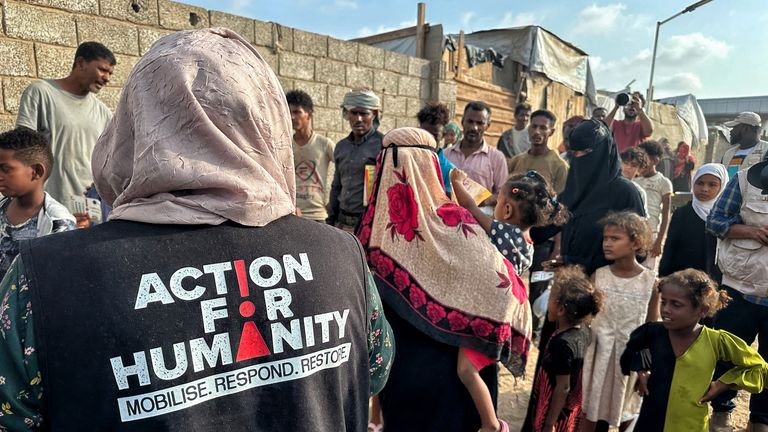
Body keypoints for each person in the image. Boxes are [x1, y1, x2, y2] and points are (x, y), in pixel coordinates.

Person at [0, 28, 394, 432]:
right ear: (267, 121)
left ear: (135, 124)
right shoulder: (341, 256)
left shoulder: (44, 278)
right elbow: (374, 369)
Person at [357, 127, 532, 432]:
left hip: (402, 382)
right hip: (453, 383)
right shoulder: (461, 223)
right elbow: (505, 287)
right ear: (432, 165)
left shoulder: (371, 232)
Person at [451, 168, 568, 432]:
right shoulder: (526, 241)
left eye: (499, 201)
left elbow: (469, 206)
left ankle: (491, 424)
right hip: (504, 310)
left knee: (465, 371)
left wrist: (457, 182)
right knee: (474, 367)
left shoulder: (504, 233)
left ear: (505, 212)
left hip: (490, 309)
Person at [621, 269, 768, 432]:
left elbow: (760, 368)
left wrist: (723, 384)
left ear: (702, 310)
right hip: (649, 424)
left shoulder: (716, 341)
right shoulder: (652, 332)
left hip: (692, 426)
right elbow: (631, 349)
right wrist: (641, 370)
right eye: (664, 302)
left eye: (676, 304)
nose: (666, 309)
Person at [15, 41, 115, 213]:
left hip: (89, 211)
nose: (107, 78)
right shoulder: (41, 93)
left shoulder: (104, 113)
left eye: (110, 73)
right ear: (81, 63)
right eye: (102, 69)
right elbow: (21, 148)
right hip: (49, 208)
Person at [581, 211, 658, 432]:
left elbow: (651, 329)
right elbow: (588, 320)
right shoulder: (599, 276)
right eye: (605, 238)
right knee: (590, 409)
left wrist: (645, 368)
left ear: (636, 242)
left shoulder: (650, 281)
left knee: (628, 412)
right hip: (598, 355)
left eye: (615, 239)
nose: (607, 243)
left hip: (630, 359)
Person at [707, 154, 768, 432]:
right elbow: (715, 221)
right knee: (731, 353)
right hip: (741, 288)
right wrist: (751, 231)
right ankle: (721, 413)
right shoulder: (743, 181)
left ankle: (761, 420)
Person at [523, 266, 604, 432]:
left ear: (561, 309)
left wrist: (549, 423)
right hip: (569, 411)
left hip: (554, 411)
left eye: (551, 296)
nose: (548, 301)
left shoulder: (561, 343)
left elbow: (563, 387)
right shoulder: (583, 332)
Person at [0, 127, 76, 279]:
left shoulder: (58, 224)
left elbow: (58, 279)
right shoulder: (2, 207)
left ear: (36, 172)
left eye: (5, 169)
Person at [327, 88, 384, 231]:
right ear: (347, 114)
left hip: (368, 226)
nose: (358, 119)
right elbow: (337, 186)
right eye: (354, 113)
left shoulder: (383, 146)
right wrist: (330, 221)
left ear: (374, 115)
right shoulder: (341, 147)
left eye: (364, 113)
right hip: (342, 224)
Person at [659, 164, 728, 281]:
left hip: (713, 282)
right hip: (681, 279)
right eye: (700, 183)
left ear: (723, 187)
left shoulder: (725, 218)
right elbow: (670, 248)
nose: (705, 189)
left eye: (712, 185)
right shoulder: (682, 214)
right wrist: (663, 278)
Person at [444, 101, 507, 204]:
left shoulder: (497, 157)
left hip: (479, 217)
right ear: (463, 121)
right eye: (470, 121)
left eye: (480, 123)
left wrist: (483, 201)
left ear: (487, 125)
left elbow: (503, 193)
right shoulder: (446, 155)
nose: (474, 127)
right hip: (447, 216)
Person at [287, 90, 336, 222]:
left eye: (297, 112)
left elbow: (345, 168)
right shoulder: (285, 145)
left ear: (309, 115)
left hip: (318, 216)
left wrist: (333, 202)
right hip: (292, 215)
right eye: (289, 112)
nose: (292, 117)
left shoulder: (324, 144)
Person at [507, 110, 569, 194]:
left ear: (551, 132)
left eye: (543, 128)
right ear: (529, 129)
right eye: (534, 126)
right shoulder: (516, 161)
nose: (537, 132)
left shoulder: (560, 166)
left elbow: (559, 202)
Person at [635, 140, 673, 271]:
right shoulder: (634, 179)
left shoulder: (663, 182)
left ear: (656, 161)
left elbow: (666, 214)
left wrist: (659, 242)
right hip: (632, 231)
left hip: (651, 234)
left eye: (646, 159)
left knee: (646, 272)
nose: (642, 163)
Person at [416, 102, 454, 194]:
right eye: (424, 135)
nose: (428, 141)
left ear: (443, 135)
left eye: (434, 136)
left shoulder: (449, 170)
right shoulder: (408, 160)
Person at [718, 112, 768, 179]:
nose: (731, 131)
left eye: (735, 127)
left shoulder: (766, 149)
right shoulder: (728, 153)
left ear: (746, 129)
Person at [619, 147, 649, 215]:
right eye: (626, 163)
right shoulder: (609, 183)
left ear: (639, 170)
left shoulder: (639, 192)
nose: (628, 167)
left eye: (633, 165)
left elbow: (641, 219)